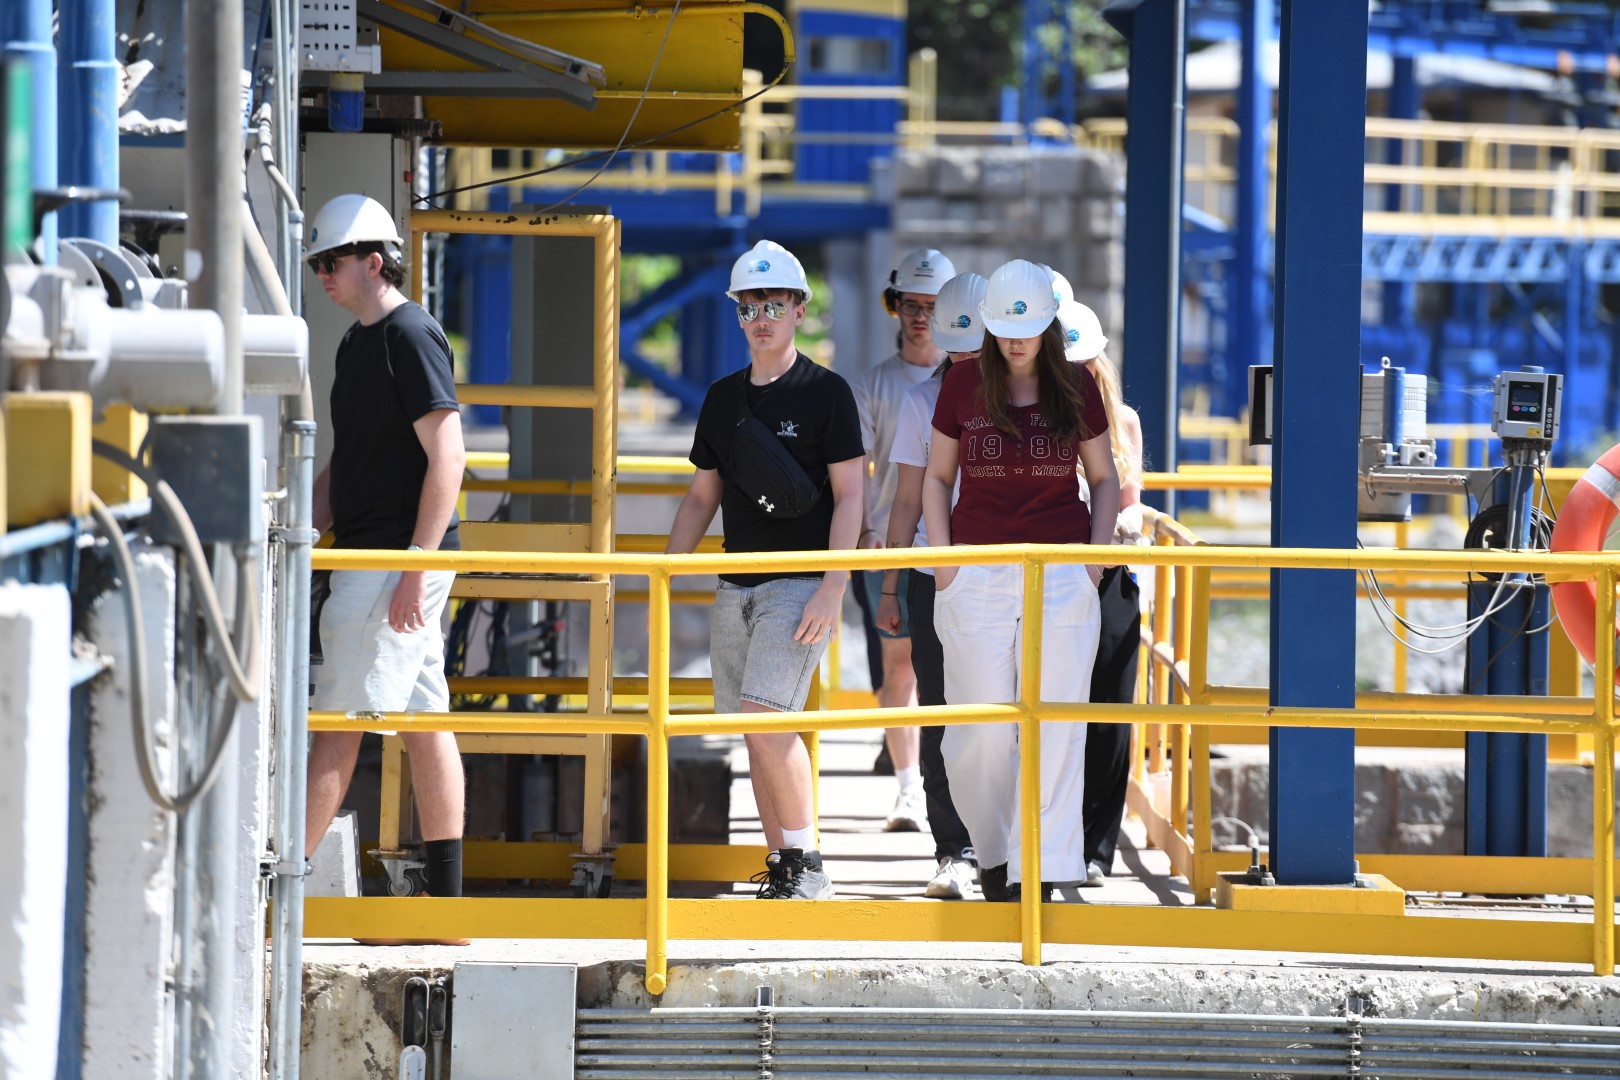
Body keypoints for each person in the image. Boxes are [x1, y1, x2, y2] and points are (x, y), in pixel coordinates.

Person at [668, 239, 865, 900]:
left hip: (799, 584)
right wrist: (664, 571)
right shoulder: (723, 400)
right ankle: (783, 864)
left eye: (773, 304)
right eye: (748, 306)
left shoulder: (827, 393)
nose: (761, 317)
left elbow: (853, 497)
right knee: (755, 730)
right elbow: (702, 495)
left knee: (767, 715)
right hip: (736, 586)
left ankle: (809, 864)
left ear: (800, 311)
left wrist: (832, 589)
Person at [922, 259, 1120, 901]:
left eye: (1028, 328)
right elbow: (935, 479)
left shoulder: (1077, 387)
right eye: (1005, 327)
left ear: (1048, 328)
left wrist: (1093, 563)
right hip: (976, 570)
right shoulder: (961, 387)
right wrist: (945, 565)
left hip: (1060, 569)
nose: (1015, 340)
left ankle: (1042, 866)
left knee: (1058, 721)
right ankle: (994, 849)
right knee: (976, 727)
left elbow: (1106, 480)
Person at [303, 194, 468, 916]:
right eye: (317, 264)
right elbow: (352, 459)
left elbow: (449, 456)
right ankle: (446, 896)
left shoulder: (410, 334)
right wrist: (300, 531)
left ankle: (277, 894)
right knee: (427, 717)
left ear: (374, 261)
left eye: (329, 262)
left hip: (391, 559)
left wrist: (416, 567)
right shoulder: (356, 342)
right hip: (373, 554)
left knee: (340, 723)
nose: (321, 276)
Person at [876, 271, 986, 899]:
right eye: (961, 345)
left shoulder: (1024, 400)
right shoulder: (922, 402)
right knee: (944, 714)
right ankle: (954, 850)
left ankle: (1005, 844)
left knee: (1010, 716)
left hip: (1006, 576)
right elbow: (906, 502)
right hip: (933, 574)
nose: (967, 356)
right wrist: (891, 586)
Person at [850, 247, 956, 833]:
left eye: (932, 307)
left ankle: (952, 790)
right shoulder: (872, 386)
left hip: (952, 547)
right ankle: (909, 790)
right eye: (911, 306)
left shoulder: (968, 381)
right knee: (900, 668)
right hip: (889, 544)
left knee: (962, 671)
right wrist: (867, 532)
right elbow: (858, 467)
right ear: (895, 307)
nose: (919, 317)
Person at [1056, 299, 1146, 887]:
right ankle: (1055, 835)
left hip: (1109, 570)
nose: (1077, 374)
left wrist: (1124, 521)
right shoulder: (1038, 412)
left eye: (1085, 364)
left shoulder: (1123, 419)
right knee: (1052, 708)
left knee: (1109, 709)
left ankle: (1097, 845)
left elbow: (1134, 495)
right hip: (1057, 570)